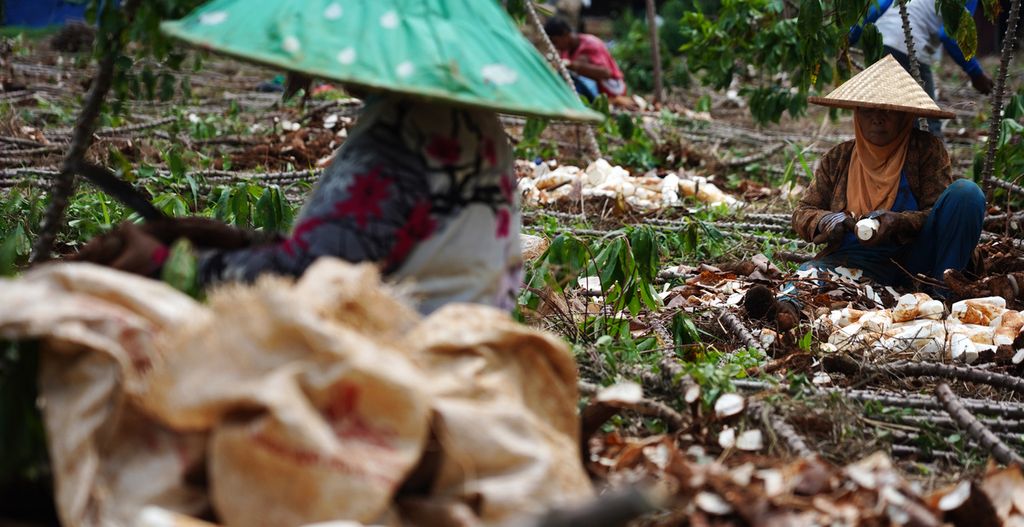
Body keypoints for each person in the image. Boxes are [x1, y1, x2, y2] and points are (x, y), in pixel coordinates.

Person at [73, 0, 603, 315]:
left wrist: (165, 266)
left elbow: (311, 278)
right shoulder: (456, 116)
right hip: (452, 352)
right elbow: (368, 246)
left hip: (394, 375)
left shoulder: (399, 135)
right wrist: (232, 239)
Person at [746, 56, 986, 328]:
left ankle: (942, 297)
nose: (877, 119)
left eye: (888, 111)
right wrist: (830, 221)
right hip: (856, 260)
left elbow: (939, 212)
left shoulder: (926, 151)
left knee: (967, 193)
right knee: (811, 274)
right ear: (856, 115)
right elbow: (803, 212)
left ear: (906, 116)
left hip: (918, 256)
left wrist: (898, 221)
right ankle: (784, 311)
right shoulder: (839, 158)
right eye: (867, 110)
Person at [848, 0, 994, 136]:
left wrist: (849, 37)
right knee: (927, 122)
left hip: (880, 42)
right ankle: (937, 164)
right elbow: (949, 36)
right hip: (910, 48)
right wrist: (976, 73)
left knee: (886, 119)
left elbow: (878, 7)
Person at [543, 16, 631, 106]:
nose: (555, 46)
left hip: (612, 90)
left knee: (574, 71)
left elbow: (606, 73)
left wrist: (572, 65)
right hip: (593, 92)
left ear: (565, 34)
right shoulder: (565, 51)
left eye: (555, 42)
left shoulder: (590, 43)